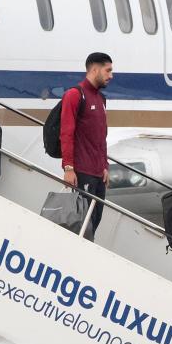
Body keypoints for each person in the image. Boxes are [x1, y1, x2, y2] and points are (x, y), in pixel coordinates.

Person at [60, 52, 112, 239]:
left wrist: (104, 165)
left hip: (98, 174)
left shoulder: (101, 99)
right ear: (94, 69)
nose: (111, 75)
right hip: (82, 172)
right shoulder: (75, 95)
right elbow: (66, 133)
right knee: (82, 225)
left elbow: (101, 136)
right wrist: (69, 167)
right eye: (108, 70)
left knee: (94, 223)